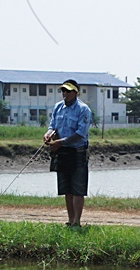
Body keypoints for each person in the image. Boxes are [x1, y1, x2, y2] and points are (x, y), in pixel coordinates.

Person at [43, 79, 92, 228]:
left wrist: (61, 142)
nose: (65, 94)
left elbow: (80, 133)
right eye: (63, 91)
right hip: (62, 152)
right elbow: (53, 126)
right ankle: (70, 220)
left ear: (76, 92)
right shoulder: (58, 107)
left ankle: (77, 221)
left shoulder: (83, 110)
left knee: (78, 188)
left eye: (68, 91)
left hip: (77, 151)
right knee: (67, 188)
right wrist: (48, 134)